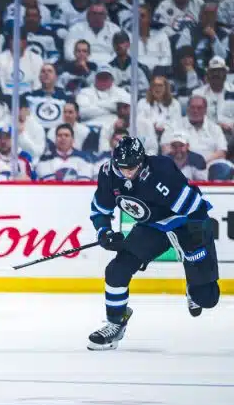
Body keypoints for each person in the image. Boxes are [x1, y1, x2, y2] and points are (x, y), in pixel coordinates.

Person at [88, 136, 220, 350]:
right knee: (116, 270)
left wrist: (194, 247)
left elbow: (196, 209)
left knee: (207, 298)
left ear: (142, 161)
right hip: (152, 227)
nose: (127, 173)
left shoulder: (161, 171)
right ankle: (115, 323)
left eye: (132, 168)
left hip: (186, 221)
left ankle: (193, 284)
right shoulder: (108, 173)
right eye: (122, 168)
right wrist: (104, 232)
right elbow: (100, 210)